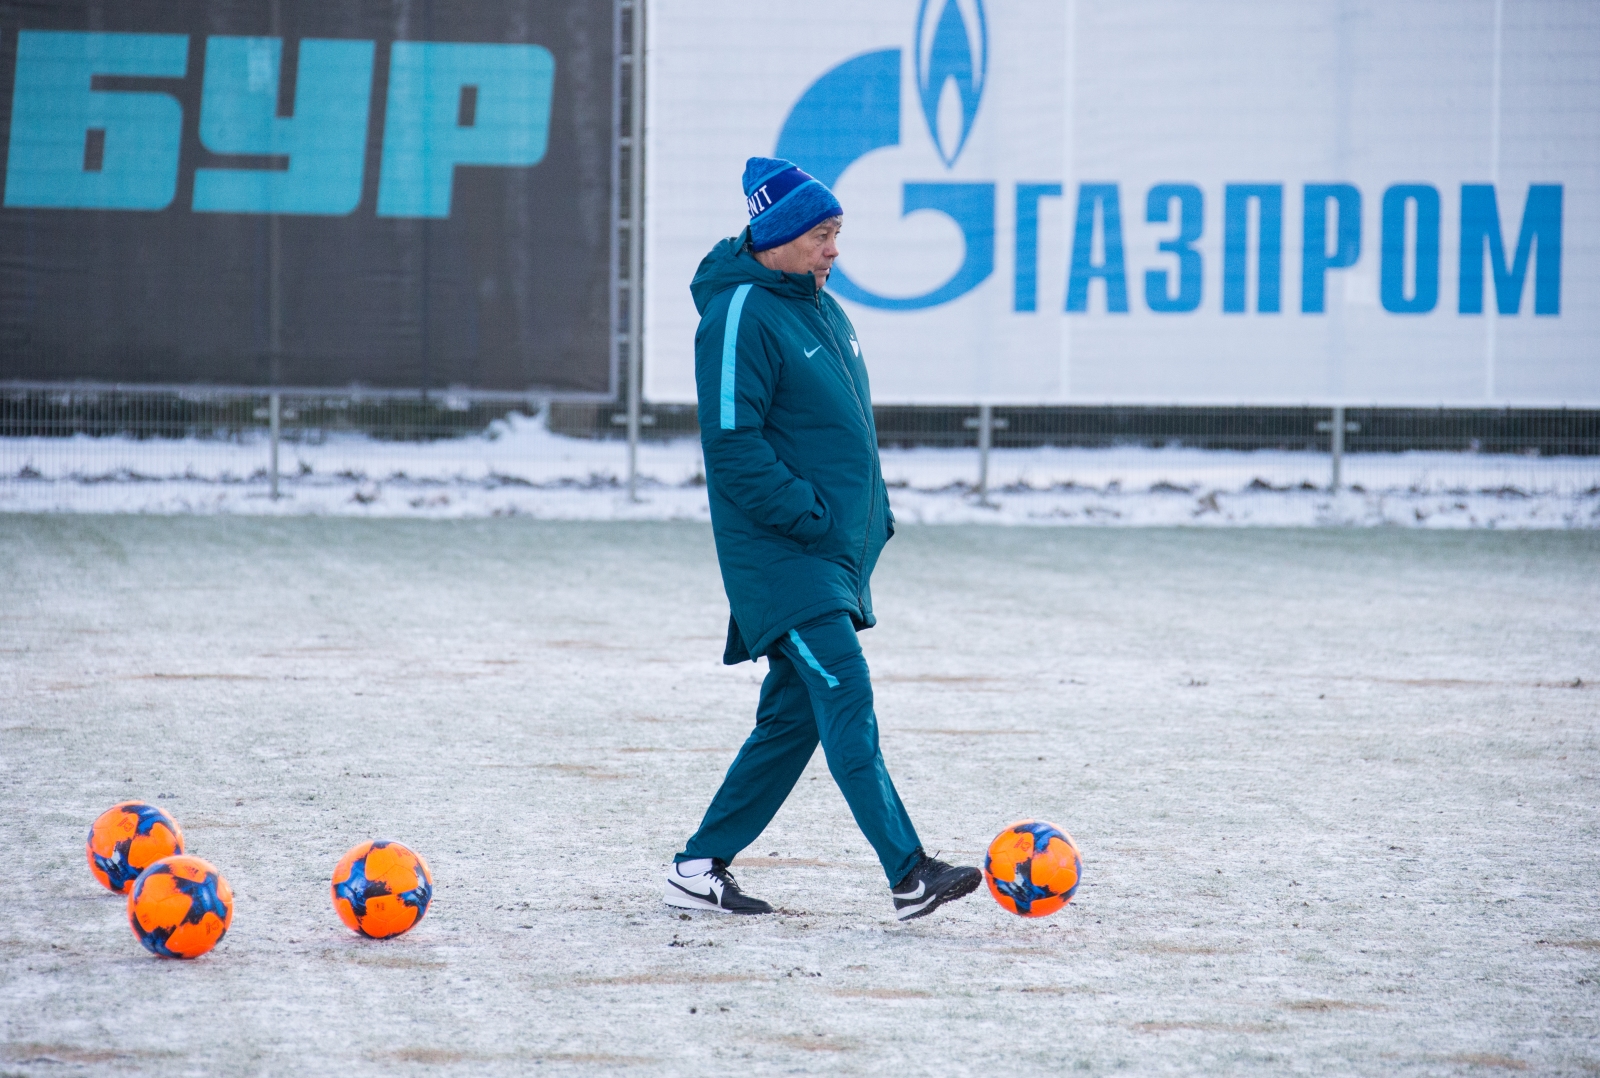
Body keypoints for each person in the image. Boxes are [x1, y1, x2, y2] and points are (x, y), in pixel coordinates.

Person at [662, 157, 981, 921]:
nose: (835, 251)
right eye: (822, 235)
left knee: (791, 722)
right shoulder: (740, 311)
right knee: (847, 692)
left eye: (836, 233)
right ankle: (909, 873)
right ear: (777, 236)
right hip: (785, 557)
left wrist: (872, 521)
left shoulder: (820, 307)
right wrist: (810, 516)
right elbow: (733, 447)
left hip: (831, 556)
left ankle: (697, 866)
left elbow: (840, 436)